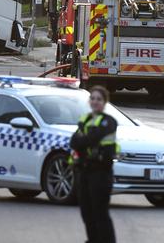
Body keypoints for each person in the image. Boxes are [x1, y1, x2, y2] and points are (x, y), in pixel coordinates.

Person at [70, 86, 118, 243]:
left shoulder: (108, 121)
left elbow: (89, 139)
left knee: (100, 213)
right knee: (86, 212)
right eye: (93, 98)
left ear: (105, 102)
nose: (95, 101)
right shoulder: (85, 119)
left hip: (101, 173)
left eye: (99, 99)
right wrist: (82, 142)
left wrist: (83, 141)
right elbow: (74, 142)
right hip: (84, 172)